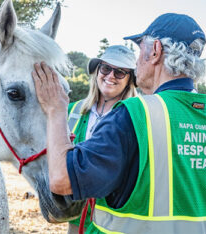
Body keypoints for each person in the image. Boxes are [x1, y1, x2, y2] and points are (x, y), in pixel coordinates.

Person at [32, 13, 206, 234]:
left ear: (155, 50)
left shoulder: (135, 115)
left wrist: (55, 109)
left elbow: (63, 180)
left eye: (140, 50)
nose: (137, 60)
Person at [67, 45, 137, 232]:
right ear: (97, 71)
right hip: (75, 216)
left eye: (120, 72)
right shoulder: (71, 111)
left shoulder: (135, 120)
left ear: (130, 80)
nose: (111, 76)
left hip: (111, 223)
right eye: (106, 68)